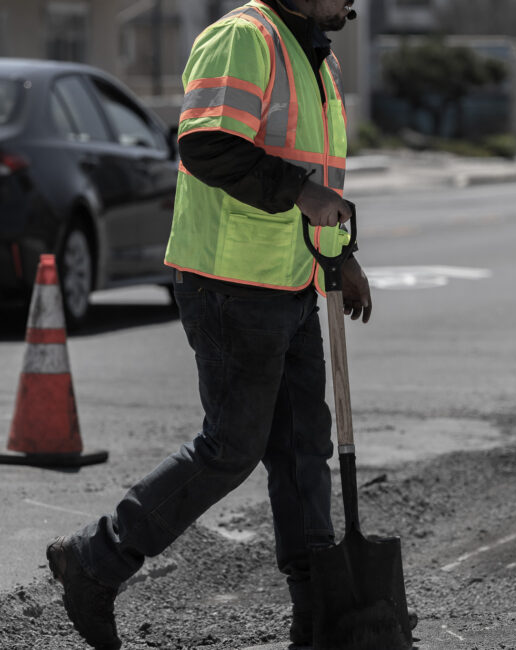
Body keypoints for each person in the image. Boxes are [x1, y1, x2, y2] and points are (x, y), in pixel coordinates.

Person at [46, 1, 371, 648]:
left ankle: (316, 614)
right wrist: (303, 194)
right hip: (230, 283)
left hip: (294, 278)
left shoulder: (314, 54)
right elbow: (205, 145)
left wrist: (345, 256)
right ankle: (96, 559)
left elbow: (321, 179)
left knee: (304, 447)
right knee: (231, 448)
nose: (351, 1)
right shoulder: (244, 38)